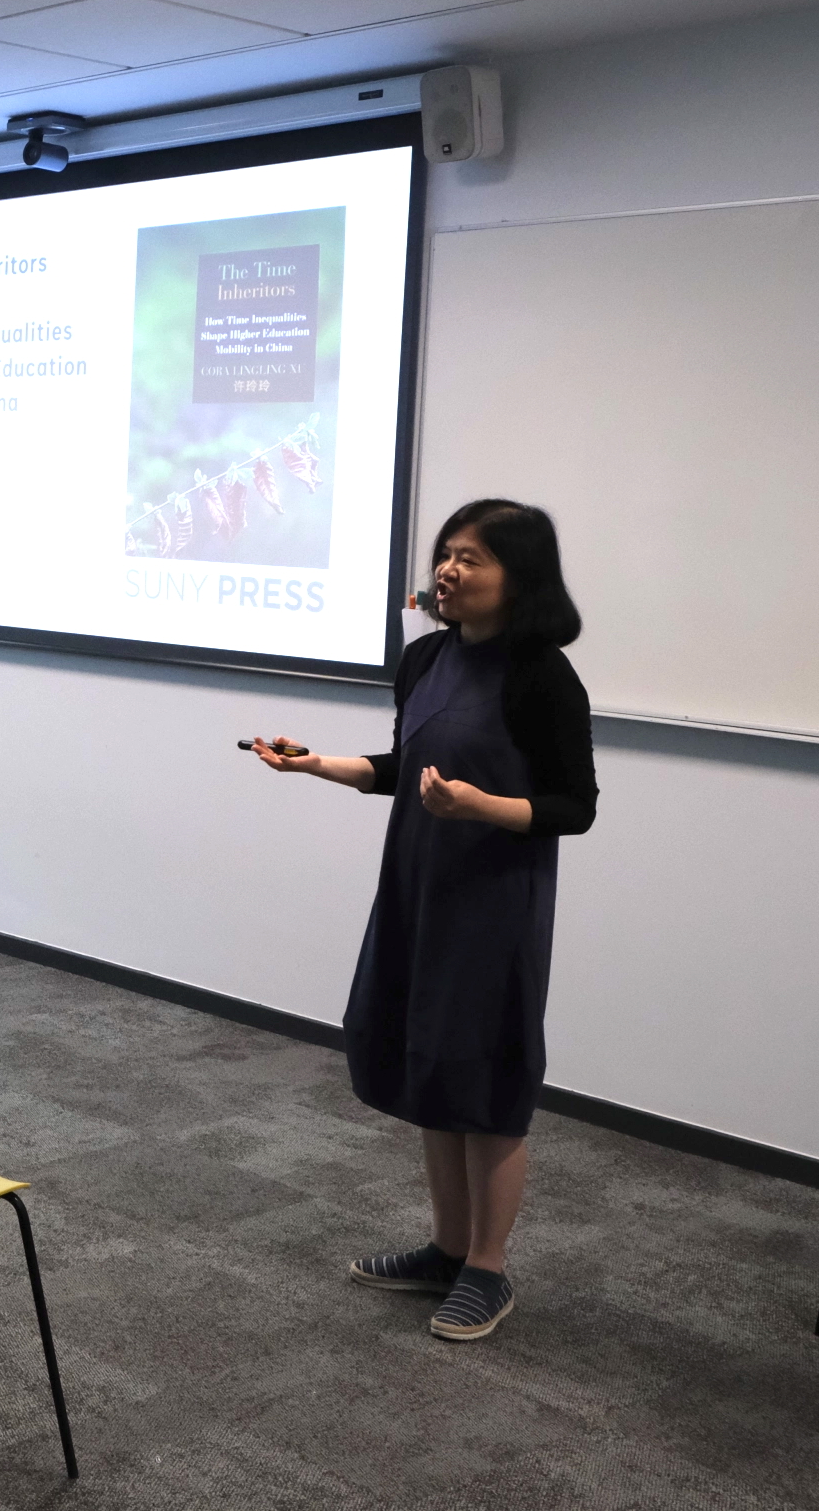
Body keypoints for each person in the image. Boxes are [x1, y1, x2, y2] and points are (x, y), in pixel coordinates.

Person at [251, 499, 595, 1343]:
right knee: (431, 1064)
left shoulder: (544, 674)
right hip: (417, 888)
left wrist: (483, 805)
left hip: (493, 902)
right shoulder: (425, 657)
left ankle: (488, 1268)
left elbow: (575, 808)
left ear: (520, 576)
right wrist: (317, 765)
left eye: (471, 558)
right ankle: (446, 1249)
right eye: (446, 554)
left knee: (489, 1080)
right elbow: (406, 767)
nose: (448, 570)